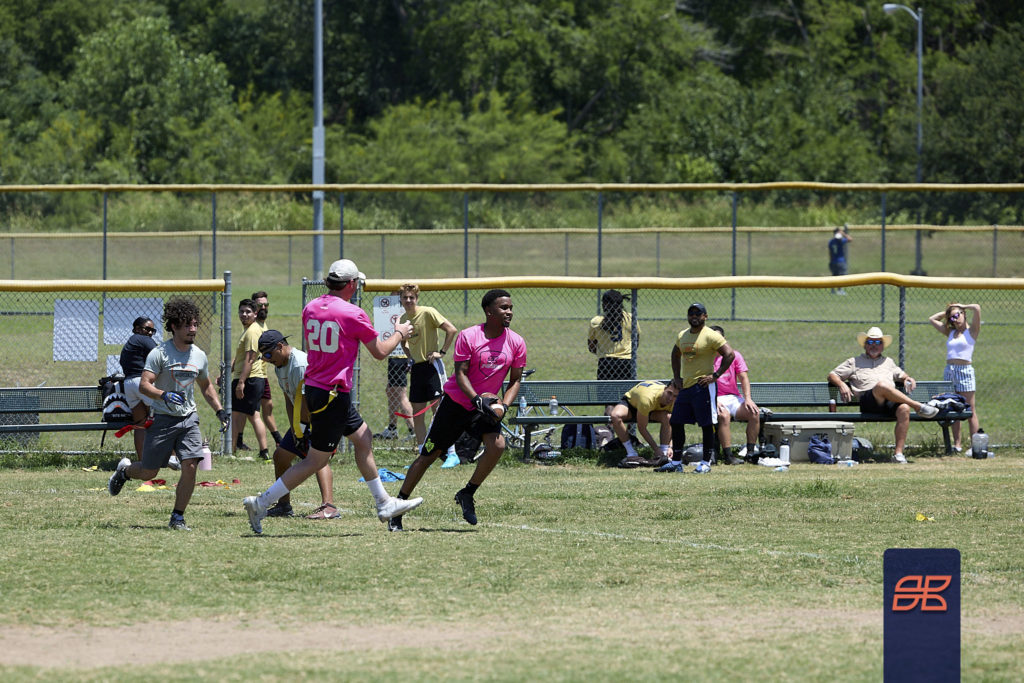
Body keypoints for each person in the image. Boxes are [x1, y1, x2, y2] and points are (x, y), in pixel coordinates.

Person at [243, 259, 422, 534]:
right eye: (357, 283)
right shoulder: (353, 313)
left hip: (318, 389)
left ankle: (383, 502)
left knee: (364, 438)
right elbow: (380, 351)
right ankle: (261, 502)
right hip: (332, 393)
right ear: (350, 284)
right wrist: (400, 332)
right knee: (315, 461)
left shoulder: (309, 308)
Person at [389, 289, 526, 532]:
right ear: (489, 311)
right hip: (457, 403)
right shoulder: (468, 336)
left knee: (497, 446)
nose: (509, 312)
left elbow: (515, 379)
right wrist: (476, 400)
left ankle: (467, 493)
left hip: (485, 405)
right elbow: (460, 374)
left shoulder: (516, 342)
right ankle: (397, 507)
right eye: (503, 308)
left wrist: (503, 405)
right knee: (428, 456)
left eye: (510, 308)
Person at [107, 298, 230, 530]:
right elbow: (144, 385)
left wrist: (220, 410)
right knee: (148, 471)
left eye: (195, 324)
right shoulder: (159, 353)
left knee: (191, 464)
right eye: (187, 325)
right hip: (163, 419)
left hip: (188, 418)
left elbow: (205, 386)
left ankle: (177, 517)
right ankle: (124, 472)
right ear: (174, 326)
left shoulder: (199, 355)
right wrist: (163, 395)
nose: (193, 329)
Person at [258, 329, 341, 520]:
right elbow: (291, 400)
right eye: (264, 357)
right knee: (280, 456)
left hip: (319, 416)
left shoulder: (300, 364)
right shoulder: (280, 366)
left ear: (280, 346)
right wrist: (295, 429)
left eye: (269, 354)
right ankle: (284, 505)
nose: (268, 360)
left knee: (317, 459)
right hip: (302, 419)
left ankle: (329, 507)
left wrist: (302, 430)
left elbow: (306, 401)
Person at [827, 326, 939, 464]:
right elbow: (832, 375)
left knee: (904, 408)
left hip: (887, 402)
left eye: (878, 342)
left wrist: (908, 379)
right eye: (870, 342)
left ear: (883, 346)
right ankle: (918, 406)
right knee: (881, 385)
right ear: (865, 345)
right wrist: (842, 384)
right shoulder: (854, 362)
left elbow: (902, 375)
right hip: (868, 401)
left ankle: (898, 454)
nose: (874, 345)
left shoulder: (888, 362)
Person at [661, 303, 735, 474]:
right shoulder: (683, 335)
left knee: (707, 424)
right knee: (676, 421)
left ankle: (706, 462)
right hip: (686, 386)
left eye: (698, 313)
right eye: (691, 313)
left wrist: (715, 376)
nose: (694, 316)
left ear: (705, 316)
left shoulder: (710, 335)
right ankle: (676, 462)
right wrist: (677, 377)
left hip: (703, 387)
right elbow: (675, 353)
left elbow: (729, 354)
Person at [398, 282, 459, 466]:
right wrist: (410, 356)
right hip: (417, 368)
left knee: (439, 411)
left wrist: (442, 352)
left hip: (433, 366)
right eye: (405, 298)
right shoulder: (402, 319)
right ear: (400, 300)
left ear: (417, 298)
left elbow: (451, 329)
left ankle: (451, 453)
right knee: (417, 414)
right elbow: (403, 341)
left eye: (412, 297)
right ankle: (423, 454)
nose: (408, 301)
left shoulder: (427, 312)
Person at [928, 303, 982, 452]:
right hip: (950, 371)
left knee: (970, 410)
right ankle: (957, 444)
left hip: (964, 371)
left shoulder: (972, 331)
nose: (955, 320)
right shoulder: (950, 332)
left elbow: (977, 308)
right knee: (954, 408)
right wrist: (948, 314)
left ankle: (975, 446)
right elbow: (932, 319)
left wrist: (961, 306)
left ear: (964, 314)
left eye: (957, 315)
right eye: (952, 318)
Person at [222, 299, 270, 460]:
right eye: (241, 311)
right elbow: (242, 358)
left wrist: (241, 382)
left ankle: (264, 451)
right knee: (237, 414)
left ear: (255, 314)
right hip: (249, 377)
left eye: (248, 312)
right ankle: (233, 449)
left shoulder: (252, 332)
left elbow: (250, 359)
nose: (244, 314)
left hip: (250, 378)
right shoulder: (249, 329)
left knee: (253, 415)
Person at [709, 325, 759, 465]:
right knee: (724, 416)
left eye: (718, 339)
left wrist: (747, 399)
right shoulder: (705, 358)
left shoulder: (734, 355)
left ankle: (750, 453)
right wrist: (714, 400)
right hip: (714, 397)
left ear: (724, 339)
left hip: (732, 397)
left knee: (754, 413)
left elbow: (744, 378)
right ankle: (728, 456)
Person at [118, 316, 160, 460]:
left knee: (140, 424)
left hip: (129, 384)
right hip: (142, 383)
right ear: (137, 329)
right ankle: (171, 458)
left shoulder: (131, 342)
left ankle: (143, 460)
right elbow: (159, 354)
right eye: (147, 329)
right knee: (167, 418)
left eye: (152, 331)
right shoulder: (141, 339)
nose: (150, 333)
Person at [610, 381, 677, 468]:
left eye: (675, 396)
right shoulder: (647, 398)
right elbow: (642, 428)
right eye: (669, 393)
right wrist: (656, 449)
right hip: (632, 404)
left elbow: (673, 425)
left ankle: (664, 455)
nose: (671, 398)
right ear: (664, 389)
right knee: (615, 416)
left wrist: (670, 446)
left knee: (668, 418)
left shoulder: (676, 402)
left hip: (652, 408)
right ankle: (631, 454)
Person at [251, 290, 282, 447]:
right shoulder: (254, 327)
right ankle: (266, 446)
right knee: (250, 412)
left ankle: (278, 440)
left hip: (262, 374)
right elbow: (246, 353)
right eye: (259, 304)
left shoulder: (263, 325)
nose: (263, 307)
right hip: (253, 374)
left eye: (265, 304)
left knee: (267, 407)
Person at [588, 290, 638, 381]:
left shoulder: (596, 321)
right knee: (626, 394)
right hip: (626, 362)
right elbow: (636, 342)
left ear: (604, 304)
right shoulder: (630, 318)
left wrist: (602, 351)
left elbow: (591, 346)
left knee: (605, 394)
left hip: (606, 363)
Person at [828, 225, 853, 295]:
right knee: (841, 276)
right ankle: (839, 290)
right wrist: (843, 233)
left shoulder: (831, 242)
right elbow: (850, 239)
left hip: (833, 261)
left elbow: (830, 253)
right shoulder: (840, 241)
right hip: (840, 261)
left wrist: (831, 261)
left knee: (834, 276)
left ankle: (832, 290)